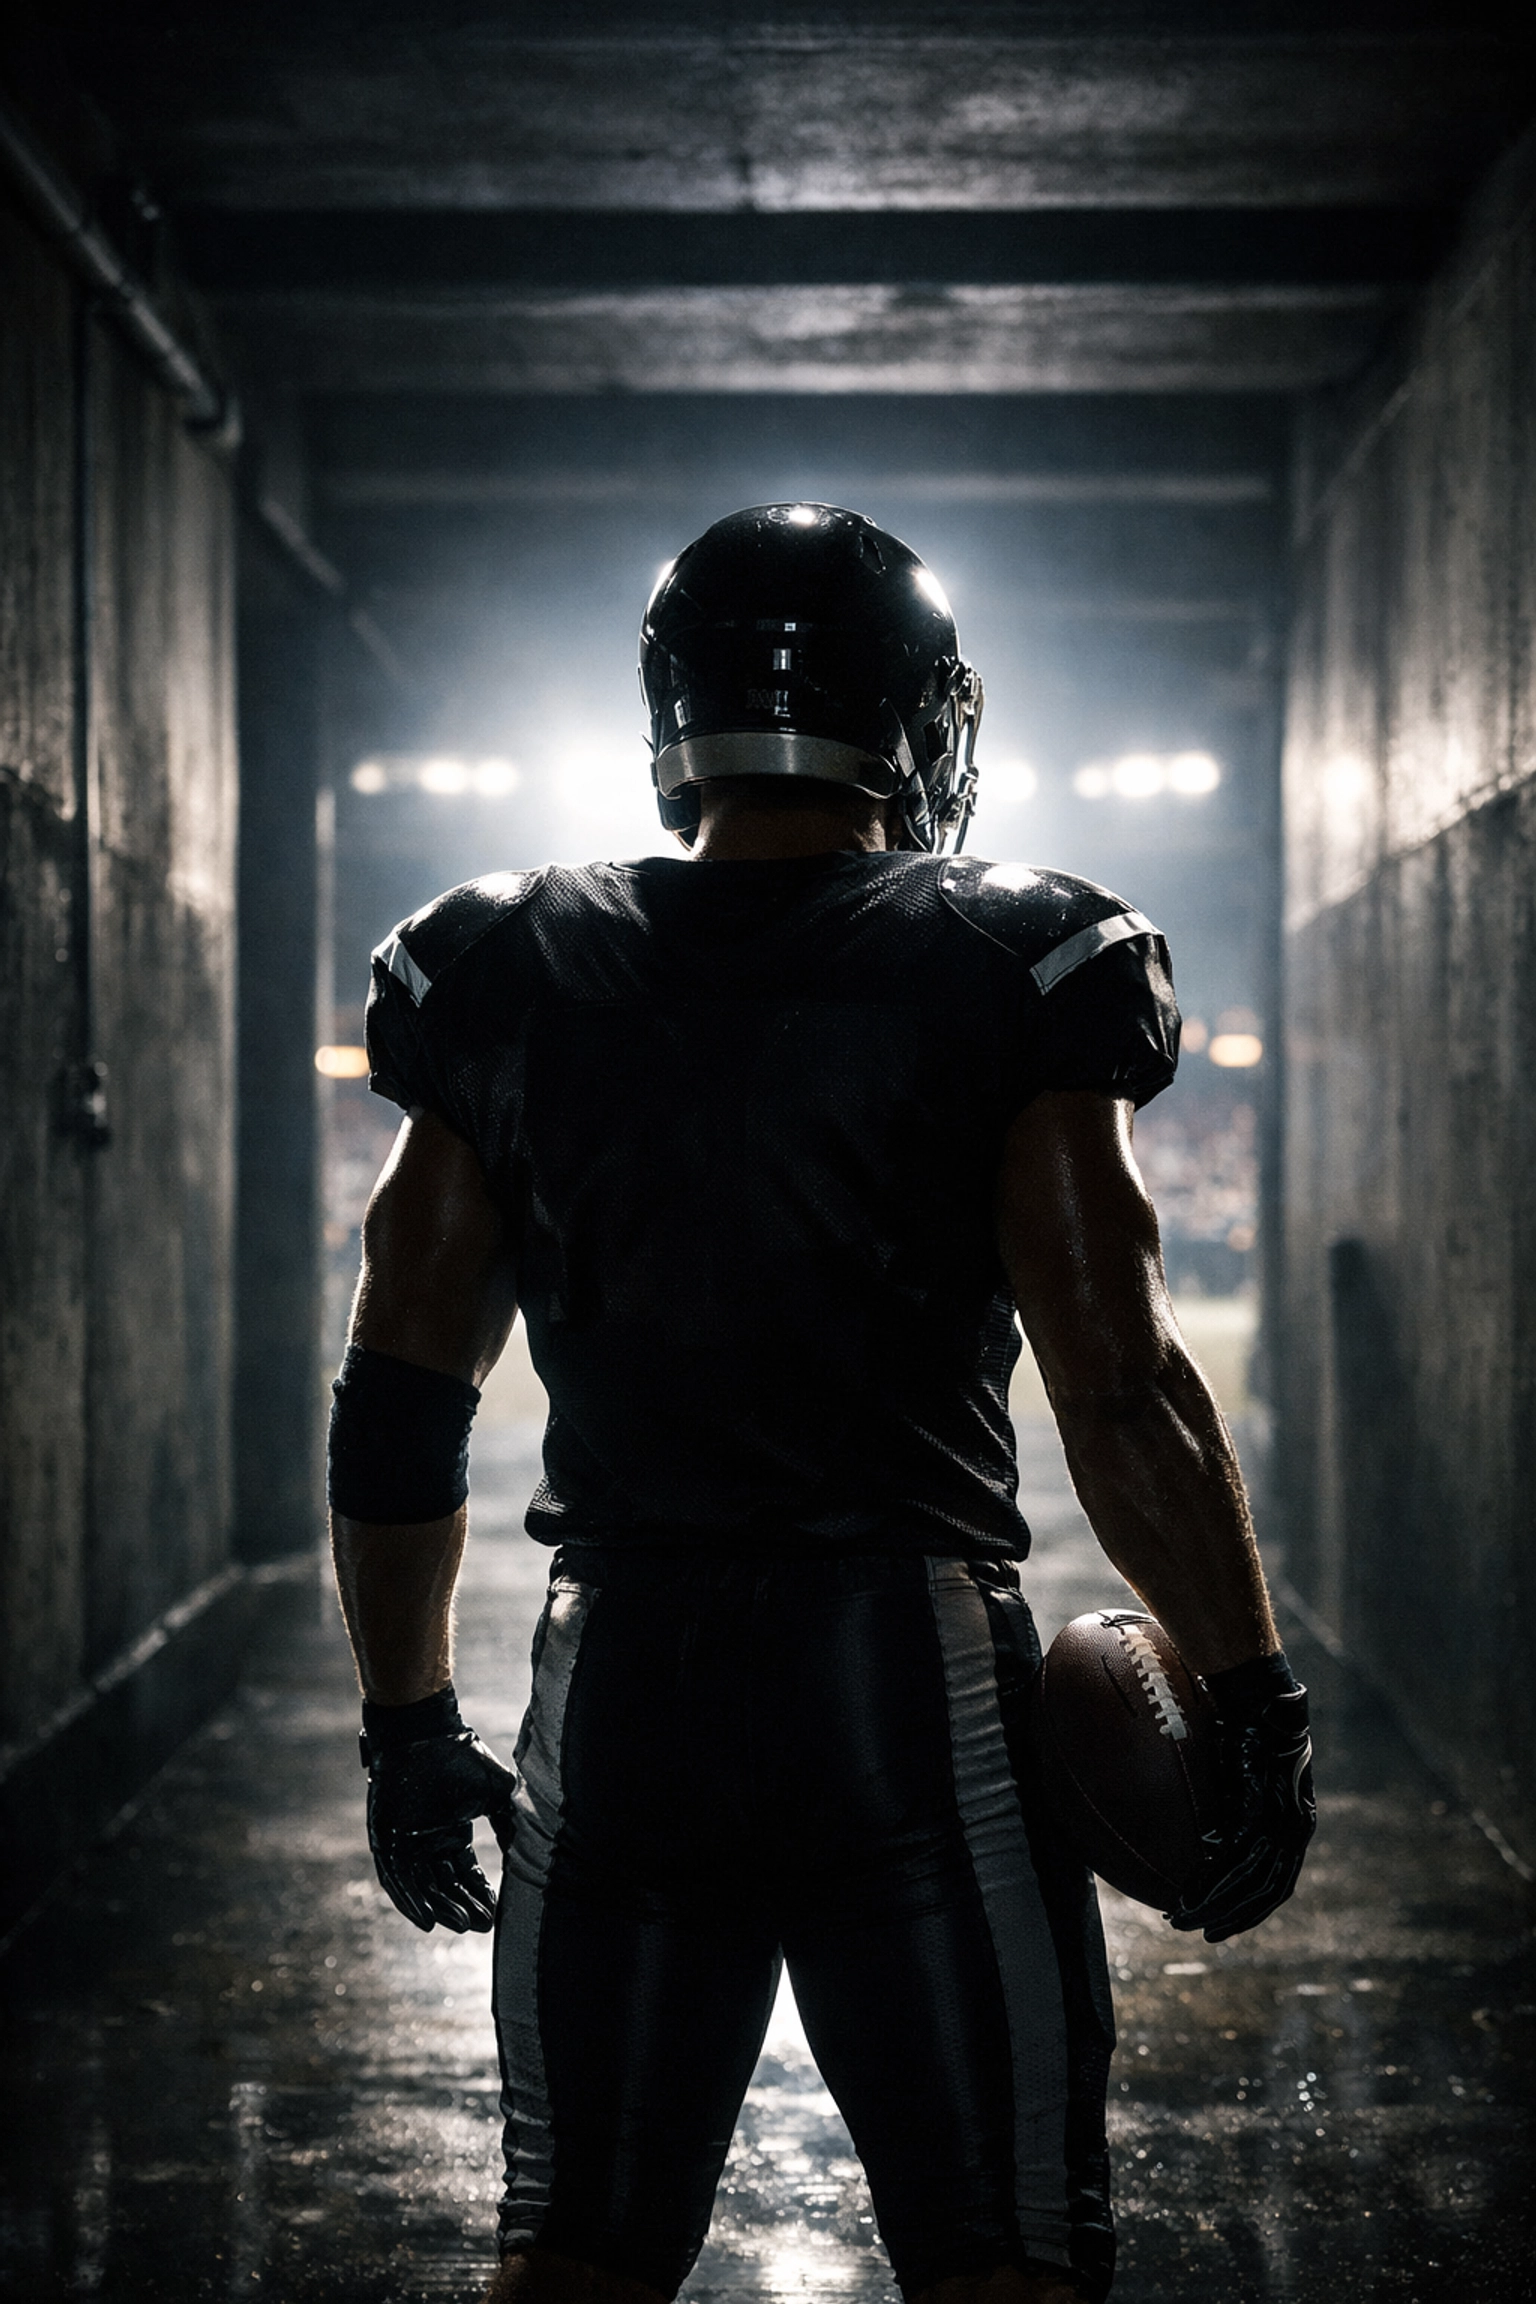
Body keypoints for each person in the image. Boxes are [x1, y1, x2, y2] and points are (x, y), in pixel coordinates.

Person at [328, 504, 1314, 2304]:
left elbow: (398, 1401)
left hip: (615, 1679)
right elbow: (1121, 1381)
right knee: (1004, 2251)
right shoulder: (1014, 949)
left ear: (669, 711)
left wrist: (404, 1724)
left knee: (576, 2251)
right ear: (926, 715)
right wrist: (1251, 1693)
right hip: (898, 1676)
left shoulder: (500, 958)